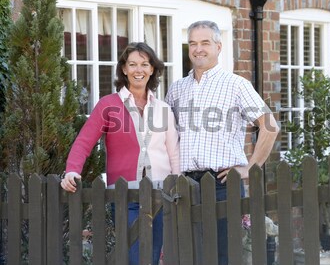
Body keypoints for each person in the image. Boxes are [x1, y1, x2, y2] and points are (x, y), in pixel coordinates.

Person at [165, 20, 279, 265]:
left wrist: (250, 168)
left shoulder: (236, 85)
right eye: (193, 43)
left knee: (223, 257)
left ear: (218, 47)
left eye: (205, 42)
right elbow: (166, 137)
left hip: (221, 184)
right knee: (188, 255)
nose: (198, 49)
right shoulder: (177, 89)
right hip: (184, 185)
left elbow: (270, 126)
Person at [61, 42, 180, 265]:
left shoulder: (163, 108)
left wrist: (177, 185)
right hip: (126, 195)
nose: (139, 70)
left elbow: (173, 152)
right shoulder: (108, 105)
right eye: (132, 64)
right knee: (134, 257)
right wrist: (72, 170)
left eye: (145, 64)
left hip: (161, 193)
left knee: (154, 257)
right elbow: (84, 142)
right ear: (124, 69)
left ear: (152, 69)